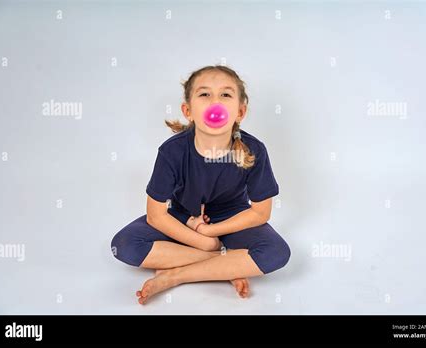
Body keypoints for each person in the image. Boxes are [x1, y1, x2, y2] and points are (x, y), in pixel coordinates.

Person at [111, 65, 291, 305]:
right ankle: (225, 264)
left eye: (225, 94)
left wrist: (211, 231)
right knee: (124, 245)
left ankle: (175, 275)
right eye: (204, 94)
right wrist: (204, 242)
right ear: (188, 110)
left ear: (240, 112)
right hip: (181, 217)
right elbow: (156, 216)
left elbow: (260, 212)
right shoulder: (172, 151)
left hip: (231, 219)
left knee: (277, 252)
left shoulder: (254, 150)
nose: (214, 101)